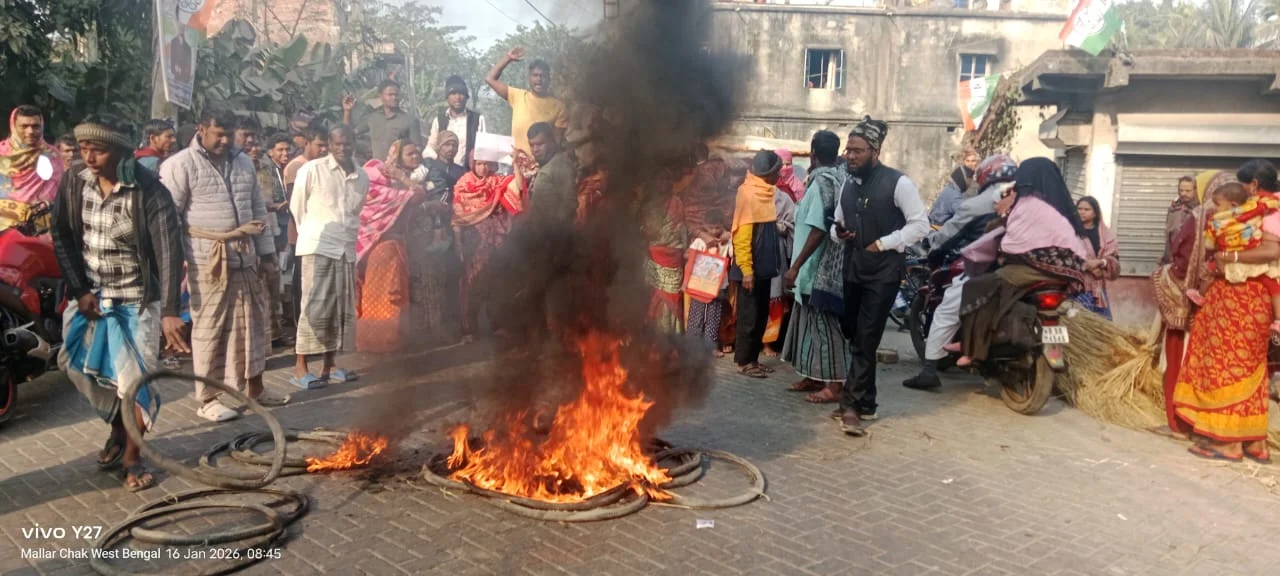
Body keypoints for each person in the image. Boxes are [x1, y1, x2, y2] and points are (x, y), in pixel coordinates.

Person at [52, 114, 185, 491]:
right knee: (74, 364)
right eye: (84, 148)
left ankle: (133, 457)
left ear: (120, 150)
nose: (89, 156)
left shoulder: (149, 190)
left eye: (99, 149)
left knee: (133, 382)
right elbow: (60, 235)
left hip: (136, 300)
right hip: (91, 296)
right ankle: (116, 427)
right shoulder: (74, 181)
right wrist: (79, 290)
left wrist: (171, 312)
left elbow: (169, 253)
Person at [161, 110, 283, 422]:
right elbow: (169, 219)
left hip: (245, 257)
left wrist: (267, 253)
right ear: (202, 129)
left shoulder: (242, 161)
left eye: (230, 134)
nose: (226, 140)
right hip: (207, 261)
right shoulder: (179, 165)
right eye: (219, 134)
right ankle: (207, 398)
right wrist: (180, 261)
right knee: (209, 330)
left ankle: (254, 388)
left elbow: (257, 207)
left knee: (253, 326)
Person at [830, 117, 928, 436]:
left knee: (866, 337)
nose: (850, 156)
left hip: (883, 274)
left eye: (857, 151)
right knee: (853, 333)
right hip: (853, 269)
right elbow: (837, 223)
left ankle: (851, 406)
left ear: (875, 150)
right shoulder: (847, 183)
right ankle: (868, 402)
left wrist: (885, 243)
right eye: (848, 150)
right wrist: (838, 233)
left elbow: (919, 226)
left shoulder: (899, 183)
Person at [1174, 173, 1279, 463]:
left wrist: (1229, 258)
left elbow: (1271, 250)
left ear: (1254, 185)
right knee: (1252, 371)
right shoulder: (1262, 211)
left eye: (1245, 185)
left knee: (1225, 366)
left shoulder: (1266, 213)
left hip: (1240, 298)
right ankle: (1255, 442)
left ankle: (1228, 444)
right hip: (1256, 301)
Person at [954, 158, 1093, 368]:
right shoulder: (1059, 208)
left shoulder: (1028, 205)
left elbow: (1011, 245)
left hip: (1036, 270)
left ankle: (971, 349)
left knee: (977, 287)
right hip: (1065, 274)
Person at [901, 154, 1018, 391]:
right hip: (1022, 270)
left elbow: (947, 235)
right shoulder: (1027, 198)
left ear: (985, 176)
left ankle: (929, 371)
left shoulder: (977, 204)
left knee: (945, 313)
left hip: (982, 269)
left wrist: (930, 244)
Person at [356, 139, 451, 351]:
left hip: (406, 245)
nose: (416, 156)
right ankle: (379, 341)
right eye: (410, 153)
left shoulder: (419, 176)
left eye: (418, 152)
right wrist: (402, 179)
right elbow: (414, 198)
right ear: (397, 158)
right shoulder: (384, 182)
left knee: (405, 292)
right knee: (388, 294)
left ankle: (403, 337)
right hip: (384, 247)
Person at [290, 125, 367, 388]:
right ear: (330, 145)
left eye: (347, 143)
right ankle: (300, 367)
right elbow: (297, 208)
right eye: (337, 144)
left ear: (353, 143)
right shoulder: (312, 170)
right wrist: (311, 235)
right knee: (313, 307)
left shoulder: (362, 176)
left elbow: (356, 213)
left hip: (346, 248)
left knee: (339, 309)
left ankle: (329, 364)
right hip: (318, 245)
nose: (343, 148)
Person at [781, 130, 853, 400]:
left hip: (818, 269)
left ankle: (835, 385)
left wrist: (796, 266)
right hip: (817, 266)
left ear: (813, 154)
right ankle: (813, 376)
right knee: (808, 324)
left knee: (824, 327)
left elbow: (819, 228)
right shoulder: (838, 178)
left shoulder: (823, 182)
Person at [1150, 171, 1220, 440]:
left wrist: (1170, 277)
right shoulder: (1243, 219)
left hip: (1188, 306)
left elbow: (1181, 256)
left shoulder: (1198, 217)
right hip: (1222, 308)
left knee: (1177, 360)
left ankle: (1178, 424)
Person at [1186, 182, 1280, 335]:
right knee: (1274, 285)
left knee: (1209, 272)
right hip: (1253, 264)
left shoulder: (1217, 222)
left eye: (1216, 204)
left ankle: (1201, 295)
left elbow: (1209, 245)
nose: (1214, 208)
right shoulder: (1257, 213)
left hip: (1234, 265)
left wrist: (1226, 254)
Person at [453, 156, 517, 342]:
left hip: (494, 241)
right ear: (473, 164)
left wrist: (517, 166)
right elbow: (457, 216)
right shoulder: (463, 185)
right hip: (473, 243)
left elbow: (516, 190)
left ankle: (497, 324)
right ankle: (468, 330)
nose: (483, 167)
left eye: (486, 163)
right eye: (479, 163)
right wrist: (458, 243)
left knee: (495, 283)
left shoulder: (496, 182)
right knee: (472, 285)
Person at [731, 150, 783, 378]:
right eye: (777, 171)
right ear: (768, 174)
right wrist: (747, 271)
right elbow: (742, 238)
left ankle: (754, 358)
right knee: (748, 316)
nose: (779, 175)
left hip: (763, 267)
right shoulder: (748, 194)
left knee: (761, 314)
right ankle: (743, 361)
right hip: (750, 269)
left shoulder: (766, 193)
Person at [283, 125, 329, 333]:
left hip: (323, 235)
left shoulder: (325, 166)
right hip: (301, 235)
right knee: (302, 283)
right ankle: (300, 327)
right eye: (320, 145)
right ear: (307, 143)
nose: (324, 150)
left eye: (326, 146)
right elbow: (296, 205)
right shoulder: (296, 167)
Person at [486, 47, 568, 157]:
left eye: (543, 76)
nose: (539, 79)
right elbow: (490, 79)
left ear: (549, 79)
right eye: (535, 75)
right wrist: (508, 58)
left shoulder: (559, 107)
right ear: (529, 78)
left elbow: (556, 143)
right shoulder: (517, 96)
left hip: (543, 167)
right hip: (517, 164)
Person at [643, 173, 689, 334]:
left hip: (673, 257)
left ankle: (669, 337)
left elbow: (682, 228)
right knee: (654, 296)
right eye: (660, 180)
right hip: (655, 256)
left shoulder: (677, 202)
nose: (663, 184)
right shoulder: (650, 205)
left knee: (670, 297)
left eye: (666, 179)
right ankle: (657, 336)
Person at [259, 134, 293, 347]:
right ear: (270, 151)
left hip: (281, 229)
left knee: (278, 279)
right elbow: (265, 202)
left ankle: (276, 329)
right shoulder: (265, 171)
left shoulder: (282, 170)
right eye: (280, 150)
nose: (285, 154)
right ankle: (271, 332)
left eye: (287, 150)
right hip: (270, 230)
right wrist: (276, 206)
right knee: (271, 281)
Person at [343, 80, 423, 164]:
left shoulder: (409, 120)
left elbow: (417, 149)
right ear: (380, 96)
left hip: (399, 170)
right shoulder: (372, 117)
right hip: (378, 170)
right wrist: (347, 111)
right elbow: (348, 133)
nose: (394, 98)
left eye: (396, 95)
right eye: (390, 95)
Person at [687, 211, 733, 354]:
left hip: (718, 285)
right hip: (700, 284)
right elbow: (689, 254)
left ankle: (711, 346)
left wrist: (729, 235)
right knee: (697, 314)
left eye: (717, 227)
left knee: (714, 315)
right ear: (704, 227)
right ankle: (692, 345)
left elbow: (732, 253)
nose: (714, 231)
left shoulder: (726, 242)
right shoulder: (700, 241)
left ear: (722, 227)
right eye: (710, 227)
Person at [0, 105, 64, 205]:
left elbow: (52, 193)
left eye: (35, 126)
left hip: (39, 217)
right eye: (24, 126)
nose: (30, 132)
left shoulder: (52, 156)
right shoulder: (1, 153)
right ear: (14, 126)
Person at [1074, 196, 1120, 319]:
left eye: (1086, 209)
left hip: (1098, 288)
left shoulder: (1106, 234)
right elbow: (1065, 254)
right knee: (1079, 323)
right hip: (1077, 287)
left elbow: (1114, 260)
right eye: (1079, 208)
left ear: (1095, 212)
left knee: (1103, 326)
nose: (1082, 212)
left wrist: (1100, 262)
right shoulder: (1071, 232)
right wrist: (1087, 266)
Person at [426, 75, 485, 169]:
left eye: (461, 93)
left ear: (466, 97)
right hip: (444, 174)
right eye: (453, 93)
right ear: (447, 97)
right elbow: (430, 148)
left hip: (468, 175)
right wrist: (438, 162)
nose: (458, 97)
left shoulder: (476, 119)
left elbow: (482, 150)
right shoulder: (439, 120)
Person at [928, 148, 980, 226]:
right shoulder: (955, 194)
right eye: (968, 161)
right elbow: (964, 213)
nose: (970, 164)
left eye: (973, 161)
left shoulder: (952, 187)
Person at [1163, 176, 1199, 263]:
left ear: (1195, 191)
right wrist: (1166, 257)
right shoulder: (1173, 208)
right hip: (1173, 259)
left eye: (1187, 191)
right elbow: (1169, 234)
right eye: (1181, 190)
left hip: (1190, 259)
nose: (1183, 193)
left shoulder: (1200, 210)